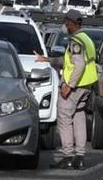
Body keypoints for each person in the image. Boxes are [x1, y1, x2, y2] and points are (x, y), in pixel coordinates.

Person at [35, 9, 98, 170]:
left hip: (75, 86)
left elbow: (79, 65)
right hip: (86, 86)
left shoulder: (75, 41)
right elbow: (68, 61)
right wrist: (48, 59)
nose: (65, 25)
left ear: (71, 22)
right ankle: (80, 157)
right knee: (78, 117)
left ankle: (68, 157)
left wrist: (69, 86)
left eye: (66, 22)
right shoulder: (87, 39)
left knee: (64, 118)